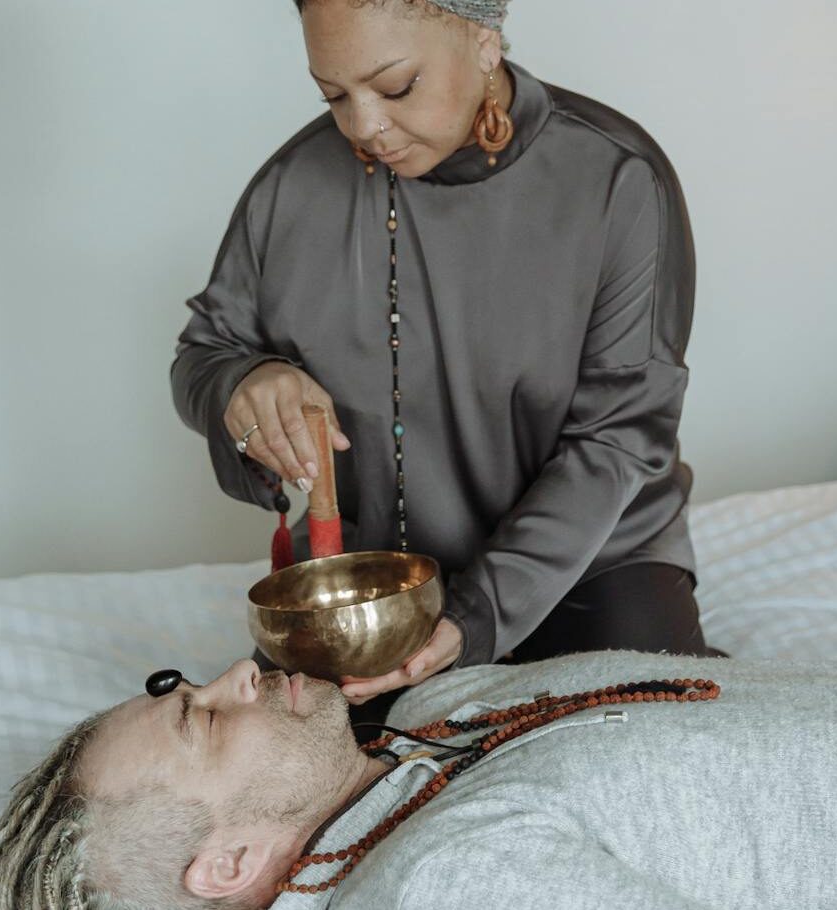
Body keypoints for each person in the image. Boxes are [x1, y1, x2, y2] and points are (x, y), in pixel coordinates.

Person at [168, 0, 719, 733]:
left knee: (661, 744)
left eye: (393, 88)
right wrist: (244, 385)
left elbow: (619, 437)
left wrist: (475, 613)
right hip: (372, 587)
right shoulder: (292, 185)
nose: (362, 126)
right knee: (292, 785)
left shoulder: (615, 178)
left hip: (592, 564)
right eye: (333, 95)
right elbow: (205, 352)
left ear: (484, 42)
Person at [0, 611, 837, 909]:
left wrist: (359, 711)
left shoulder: (431, 737)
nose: (226, 675)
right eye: (202, 720)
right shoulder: (446, 887)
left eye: (182, 685)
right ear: (222, 866)